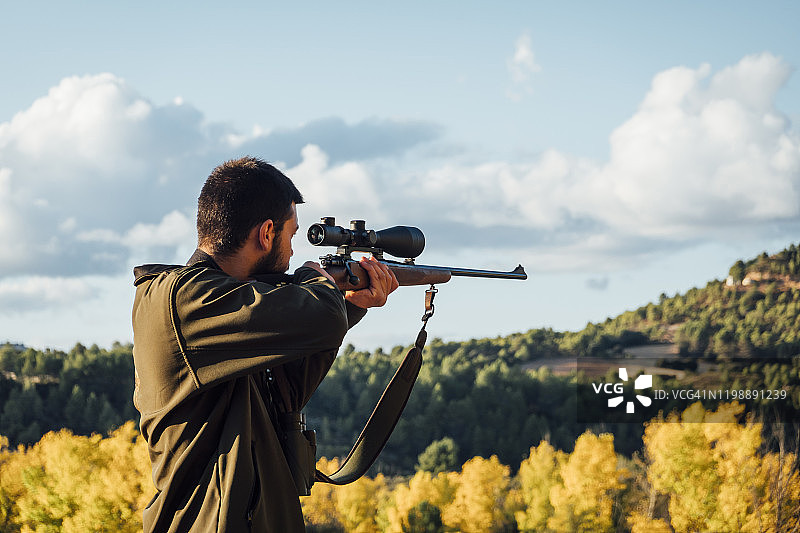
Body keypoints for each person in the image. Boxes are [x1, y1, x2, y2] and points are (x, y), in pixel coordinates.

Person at [131, 156, 398, 532]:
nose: (291, 252)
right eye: (291, 236)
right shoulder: (183, 299)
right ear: (267, 233)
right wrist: (316, 278)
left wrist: (349, 305)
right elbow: (321, 315)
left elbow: (287, 393)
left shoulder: (230, 323)